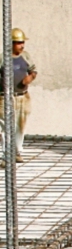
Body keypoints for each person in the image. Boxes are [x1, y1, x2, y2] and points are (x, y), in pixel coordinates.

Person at [0, 29, 37, 163]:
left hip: (22, 96)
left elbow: (33, 70)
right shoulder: (3, 57)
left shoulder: (25, 56)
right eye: (19, 43)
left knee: (19, 125)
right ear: (11, 43)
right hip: (6, 97)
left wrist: (30, 77)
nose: (22, 46)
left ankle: (16, 152)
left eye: (22, 43)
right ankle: (4, 155)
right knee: (5, 126)